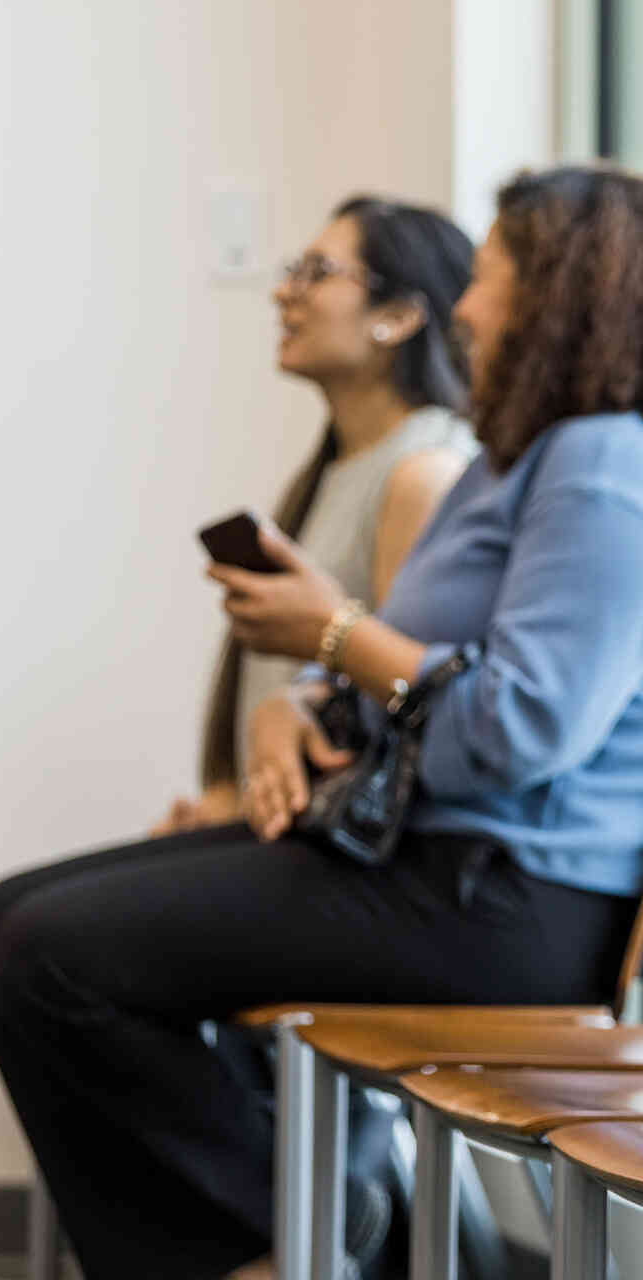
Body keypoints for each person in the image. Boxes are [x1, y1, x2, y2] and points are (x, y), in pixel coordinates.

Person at [0, 164, 643, 1280]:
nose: (472, 306)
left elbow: (517, 726)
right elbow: (420, 671)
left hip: (508, 902)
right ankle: (260, 1244)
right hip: (423, 856)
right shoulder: (528, 458)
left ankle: (257, 1257)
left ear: (561, 296)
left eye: (491, 275)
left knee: (48, 953)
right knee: (13, 926)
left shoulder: (615, 468)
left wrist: (332, 640)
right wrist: (306, 711)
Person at [156, 194, 478, 837]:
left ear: (397, 316)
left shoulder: (424, 473)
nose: (283, 295)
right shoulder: (331, 471)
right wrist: (226, 797)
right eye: (290, 270)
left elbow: (398, 705)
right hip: (276, 824)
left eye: (316, 273)